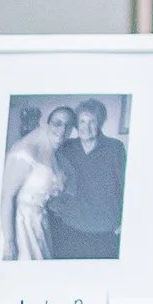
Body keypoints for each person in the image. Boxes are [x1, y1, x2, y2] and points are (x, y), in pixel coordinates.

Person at [0, 104, 74, 262]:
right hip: (18, 224)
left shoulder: (57, 159)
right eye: (57, 123)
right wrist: (9, 242)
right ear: (47, 124)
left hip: (40, 223)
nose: (62, 129)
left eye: (67, 125)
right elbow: (7, 196)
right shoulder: (25, 152)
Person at [54, 102, 126, 259]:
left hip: (105, 229)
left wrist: (125, 220)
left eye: (92, 121)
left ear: (100, 123)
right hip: (70, 227)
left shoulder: (115, 148)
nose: (86, 127)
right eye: (82, 121)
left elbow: (126, 186)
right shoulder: (66, 147)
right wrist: (58, 210)